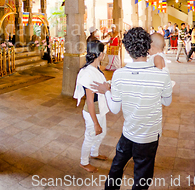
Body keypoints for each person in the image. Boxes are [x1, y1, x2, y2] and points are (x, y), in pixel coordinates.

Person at [91, 27, 172, 190]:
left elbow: (114, 109)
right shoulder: (162, 75)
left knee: (117, 166)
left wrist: (107, 91)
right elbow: (167, 102)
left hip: (129, 132)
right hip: (149, 135)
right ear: (148, 47)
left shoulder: (119, 74)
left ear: (127, 49)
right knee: (142, 175)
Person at [73, 41, 109, 173]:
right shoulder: (88, 72)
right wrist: (95, 123)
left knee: (102, 133)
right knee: (91, 136)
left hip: (99, 108)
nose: (104, 54)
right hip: (93, 110)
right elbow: (89, 100)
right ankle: (84, 162)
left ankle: (94, 153)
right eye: (103, 52)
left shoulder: (95, 69)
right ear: (100, 54)